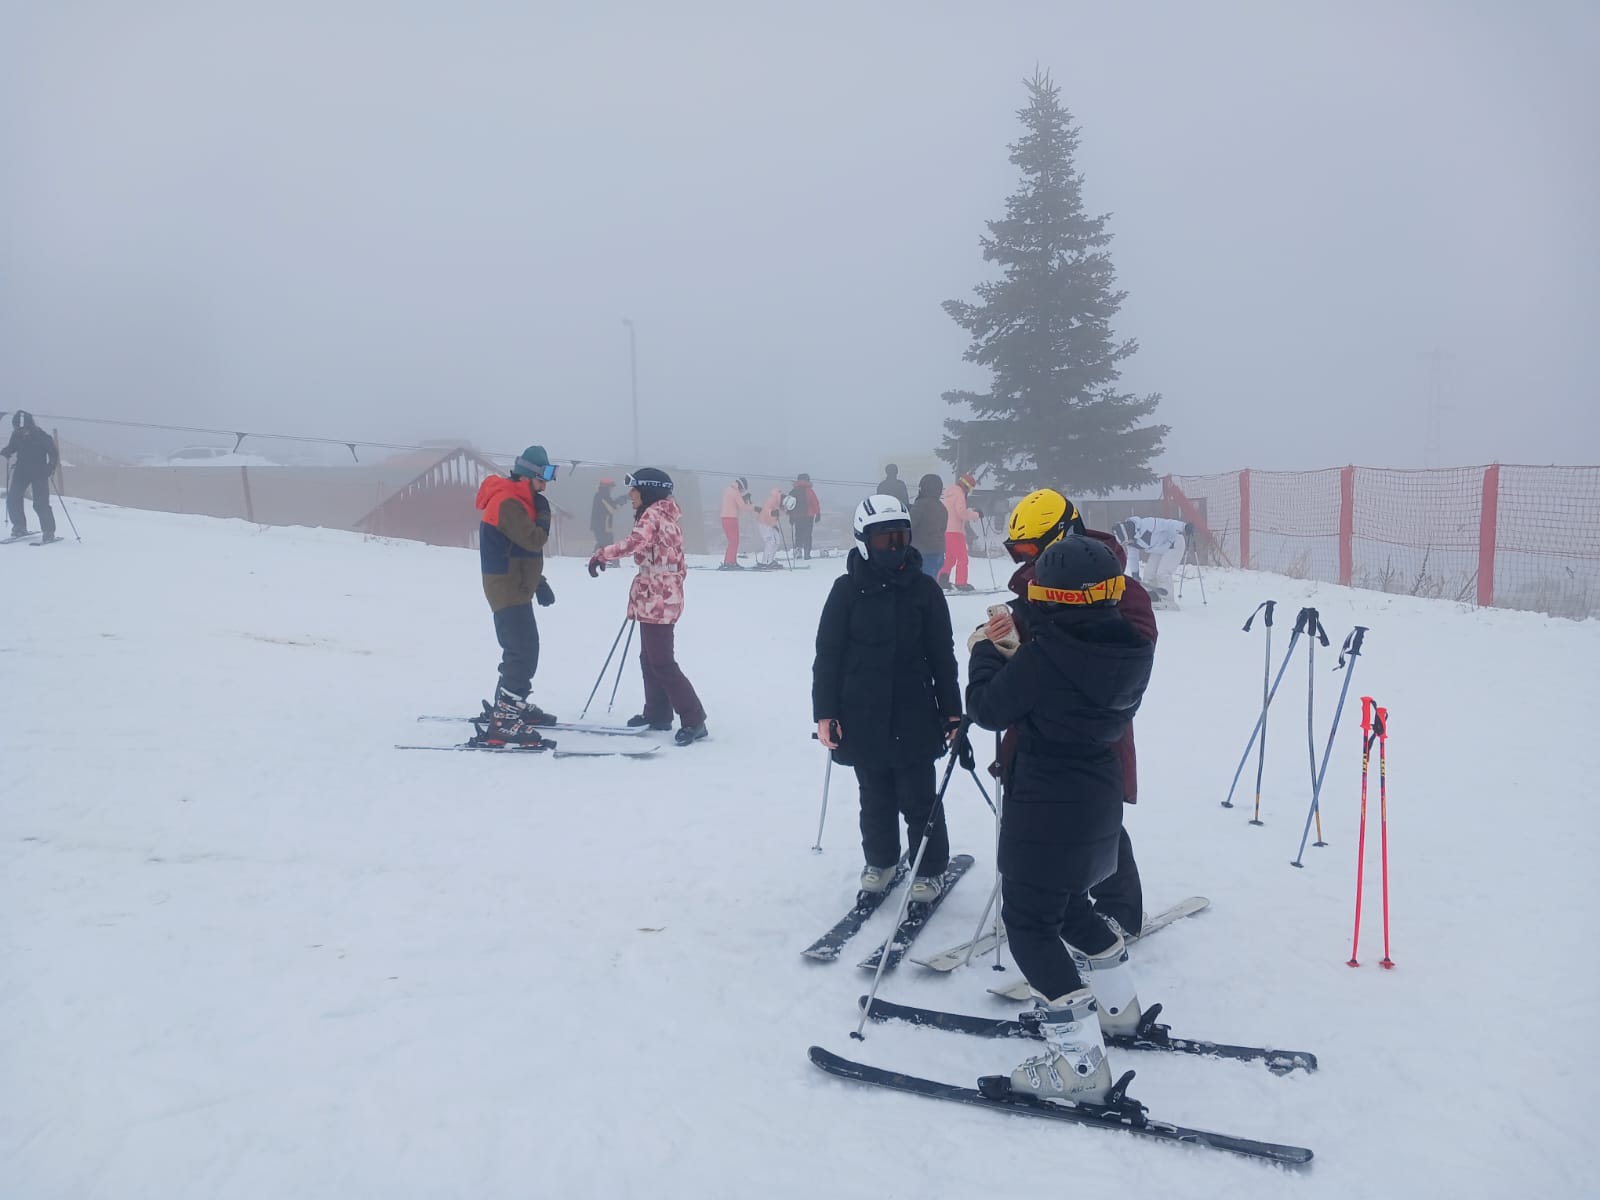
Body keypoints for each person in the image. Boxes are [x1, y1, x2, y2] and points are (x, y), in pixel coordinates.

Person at [966, 534, 1156, 1105]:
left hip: (1047, 805)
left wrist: (983, 649)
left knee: (1029, 924)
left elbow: (987, 709)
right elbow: (1066, 678)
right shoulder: (1129, 645)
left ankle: (1079, 1064)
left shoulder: (1046, 657)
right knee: (1073, 906)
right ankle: (1119, 1010)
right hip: (1096, 799)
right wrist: (1023, 651)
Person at [988, 490, 1157, 938]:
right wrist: (1005, 639)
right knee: (1046, 815)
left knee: (1096, 820)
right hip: (1037, 716)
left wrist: (1041, 653)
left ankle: (1118, 910)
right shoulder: (1036, 578)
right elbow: (1034, 627)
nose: (1023, 561)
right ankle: (1054, 899)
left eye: (1029, 551)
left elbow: (1129, 655)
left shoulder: (1118, 585)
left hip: (1093, 723)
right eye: (1016, 552)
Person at [813, 496, 964, 903]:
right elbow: (828, 654)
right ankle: (880, 860)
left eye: (901, 537)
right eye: (885, 540)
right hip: (861, 713)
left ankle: (930, 867)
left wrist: (953, 714)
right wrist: (825, 712)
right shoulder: (846, 591)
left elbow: (942, 656)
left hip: (915, 712)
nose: (895, 547)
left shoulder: (925, 591)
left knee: (918, 797)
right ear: (864, 542)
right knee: (874, 795)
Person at [588, 469, 708, 745]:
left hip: (658, 595)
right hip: (659, 593)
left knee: (662, 661)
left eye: (635, 489)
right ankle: (658, 714)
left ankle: (694, 718)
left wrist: (601, 554)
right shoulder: (665, 514)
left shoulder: (652, 515)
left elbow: (634, 543)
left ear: (649, 490)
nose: (630, 494)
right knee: (649, 658)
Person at [474, 445, 560, 745]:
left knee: (520, 647)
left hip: (516, 582)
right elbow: (534, 539)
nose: (546, 483)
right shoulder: (508, 502)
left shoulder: (519, 499)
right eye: (544, 475)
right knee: (523, 651)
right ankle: (505, 719)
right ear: (529, 475)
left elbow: (520, 551)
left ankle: (509, 705)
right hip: (505, 585)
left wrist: (540, 582)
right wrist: (545, 514)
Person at [2, 411, 59, 543]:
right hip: (21, 471)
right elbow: (13, 447)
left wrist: (49, 469)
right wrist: (6, 451)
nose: (20, 432)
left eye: (23, 430)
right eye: (17, 429)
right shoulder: (16, 435)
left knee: (40, 503)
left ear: (30, 426)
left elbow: (54, 454)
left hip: (39, 473)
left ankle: (49, 531)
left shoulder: (42, 436)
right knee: (12, 499)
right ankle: (19, 527)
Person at [1112, 516, 1188, 608]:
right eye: (1125, 543)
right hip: (1159, 549)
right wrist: (1135, 573)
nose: (1127, 544)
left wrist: (1184, 526)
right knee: (1148, 574)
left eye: (1126, 542)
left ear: (1128, 533)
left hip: (1174, 543)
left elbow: (1168, 524)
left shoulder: (1147, 524)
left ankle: (1168, 602)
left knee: (1162, 573)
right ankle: (1153, 598)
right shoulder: (1131, 542)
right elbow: (1133, 556)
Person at [938, 472, 983, 592]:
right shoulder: (960, 494)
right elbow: (961, 513)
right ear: (967, 486)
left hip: (946, 530)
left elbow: (955, 510)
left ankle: (942, 580)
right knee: (962, 558)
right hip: (955, 532)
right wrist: (976, 515)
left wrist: (970, 511)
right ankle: (961, 583)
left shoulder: (950, 493)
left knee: (950, 558)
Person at [909, 473, 948, 579]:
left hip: (922, 553)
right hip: (938, 552)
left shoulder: (920, 505)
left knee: (922, 587)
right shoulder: (942, 507)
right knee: (932, 584)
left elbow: (909, 526)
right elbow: (943, 528)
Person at [719, 477, 756, 569]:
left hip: (724, 518)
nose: (742, 491)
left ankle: (730, 561)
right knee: (734, 541)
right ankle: (729, 562)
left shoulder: (728, 490)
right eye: (742, 490)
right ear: (741, 486)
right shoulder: (735, 493)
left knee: (732, 541)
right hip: (731, 518)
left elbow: (733, 503)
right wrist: (754, 507)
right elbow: (742, 507)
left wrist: (742, 498)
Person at [786, 473, 821, 559]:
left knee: (798, 534)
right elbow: (815, 503)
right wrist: (818, 514)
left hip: (797, 517)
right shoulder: (809, 491)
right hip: (809, 516)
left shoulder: (793, 491)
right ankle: (807, 553)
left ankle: (798, 552)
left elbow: (789, 505)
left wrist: (791, 517)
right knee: (807, 534)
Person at [754, 486, 785, 569]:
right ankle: (766, 562)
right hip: (763, 523)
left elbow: (779, 513)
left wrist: (775, 524)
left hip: (771, 524)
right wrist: (772, 513)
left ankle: (770, 559)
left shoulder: (779, 502)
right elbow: (765, 510)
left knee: (777, 540)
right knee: (770, 542)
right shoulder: (772, 499)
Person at [590, 477, 623, 553]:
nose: (612, 489)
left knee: (602, 543)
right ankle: (612, 562)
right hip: (602, 526)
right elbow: (612, 509)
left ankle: (596, 560)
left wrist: (617, 502)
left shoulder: (600, 496)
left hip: (601, 526)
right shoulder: (603, 496)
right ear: (607, 487)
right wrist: (620, 503)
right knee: (607, 544)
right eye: (611, 487)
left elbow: (608, 507)